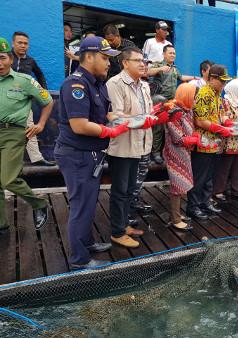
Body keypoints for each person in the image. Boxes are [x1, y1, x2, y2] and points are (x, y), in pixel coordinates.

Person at [55, 36, 130, 270]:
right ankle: (80, 259)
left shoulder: (97, 83)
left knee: (88, 203)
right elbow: (79, 125)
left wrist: (130, 119)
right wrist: (111, 131)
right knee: (81, 206)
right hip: (77, 155)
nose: (109, 63)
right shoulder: (75, 84)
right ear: (89, 57)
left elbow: (104, 115)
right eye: (105, 57)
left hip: (92, 155)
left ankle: (86, 243)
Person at [106, 46, 164, 248]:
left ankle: (123, 225)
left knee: (131, 189)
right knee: (120, 190)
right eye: (138, 60)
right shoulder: (115, 83)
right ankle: (117, 231)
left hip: (141, 144)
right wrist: (143, 120)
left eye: (144, 61)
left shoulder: (145, 85)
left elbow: (146, 113)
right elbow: (116, 118)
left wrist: (156, 113)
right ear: (124, 63)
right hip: (123, 146)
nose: (143, 64)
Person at [0, 37, 53, 235]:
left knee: (8, 179)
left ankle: (39, 203)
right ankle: (2, 225)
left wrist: (40, 124)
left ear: (10, 59)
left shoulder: (24, 81)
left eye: (2, 58)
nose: (0, 63)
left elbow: (47, 102)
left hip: (13, 132)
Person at [186, 64, 232, 220]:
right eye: (222, 81)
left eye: (225, 82)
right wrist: (220, 128)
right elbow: (199, 121)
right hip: (203, 143)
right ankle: (192, 207)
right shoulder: (204, 93)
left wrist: (227, 123)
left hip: (214, 142)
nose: (224, 85)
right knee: (199, 177)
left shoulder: (217, 93)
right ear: (212, 78)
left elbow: (219, 115)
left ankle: (205, 202)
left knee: (210, 177)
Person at [11, 31, 55, 167]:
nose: (23, 46)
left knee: (30, 129)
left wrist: (44, 90)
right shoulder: (6, 58)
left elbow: (40, 74)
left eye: (26, 43)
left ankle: (36, 158)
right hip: (5, 100)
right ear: (13, 43)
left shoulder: (30, 61)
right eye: (20, 43)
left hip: (24, 102)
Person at [147, 45, 195, 164]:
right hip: (160, 103)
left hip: (172, 103)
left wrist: (194, 77)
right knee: (158, 129)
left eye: (174, 53)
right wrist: (160, 69)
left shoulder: (174, 68)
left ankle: (166, 153)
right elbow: (148, 72)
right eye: (170, 53)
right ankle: (155, 153)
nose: (173, 55)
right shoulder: (158, 65)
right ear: (164, 54)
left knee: (171, 129)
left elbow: (181, 77)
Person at [164, 83, 199, 231]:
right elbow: (177, 138)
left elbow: (190, 129)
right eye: (194, 97)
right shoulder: (174, 111)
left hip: (185, 152)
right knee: (177, 184)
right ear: (187, 96)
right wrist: (193, 140)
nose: (196, 100)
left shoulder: (188, 110)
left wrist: (194, 136)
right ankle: (175, 219)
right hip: (175, 152)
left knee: (184, 183)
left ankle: (177, 214)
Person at [213, 78, 238, 202]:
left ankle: (236, 190)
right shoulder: (225, 102)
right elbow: (224, 120)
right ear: (234, 89)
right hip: (230, 140)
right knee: (225, 167)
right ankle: (218, 191)